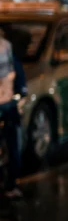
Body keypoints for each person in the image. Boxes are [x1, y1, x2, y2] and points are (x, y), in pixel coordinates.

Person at [0, 26, 25, 201]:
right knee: (12, 141)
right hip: (7, 102)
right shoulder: (6, 46)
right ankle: (11, 185)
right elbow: (17, 70)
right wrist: (21, 92)